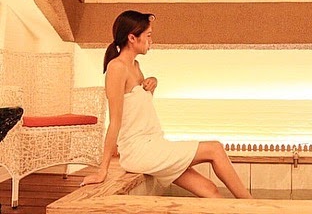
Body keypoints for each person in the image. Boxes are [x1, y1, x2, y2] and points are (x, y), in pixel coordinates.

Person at [81, 10, 252, 199]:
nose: (151, 41)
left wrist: (152, 84)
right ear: (132, 38)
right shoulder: (117, 68)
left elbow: (138, 108)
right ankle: (252, 206)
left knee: (209, 189)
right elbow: (115, 121)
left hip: (154, 144)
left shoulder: (135, 67)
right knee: (215, 149)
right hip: (138, 151)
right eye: (148, 35)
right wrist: (102, 170)